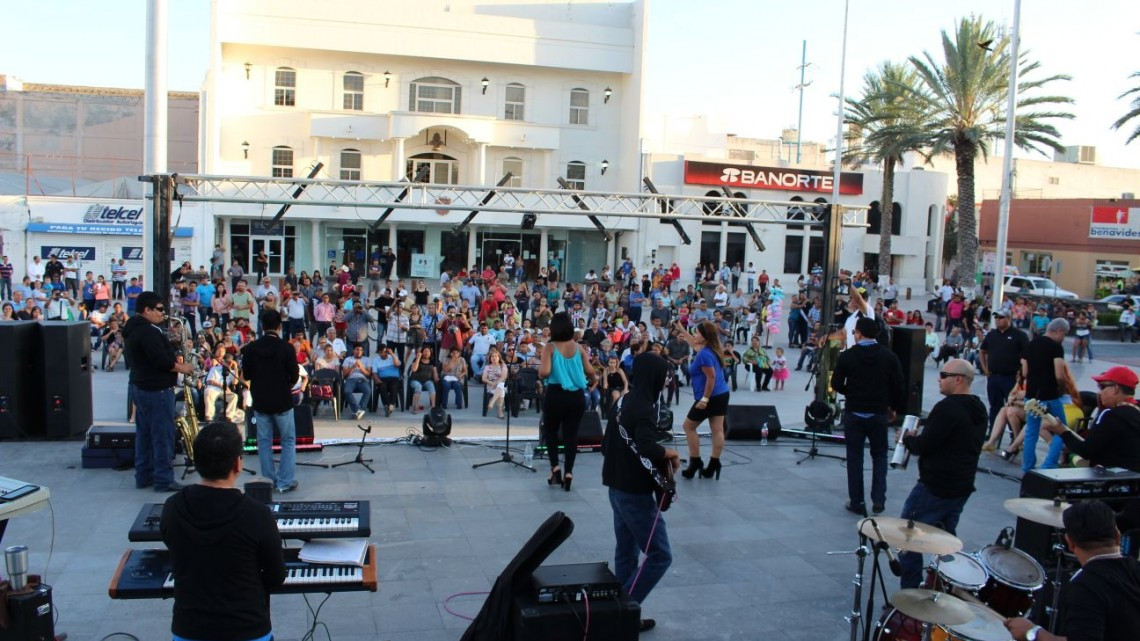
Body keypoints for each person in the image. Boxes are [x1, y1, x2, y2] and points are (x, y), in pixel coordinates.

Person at [160, 422, 286, 641]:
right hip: (247, 629)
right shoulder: (256, 514)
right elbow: (276, 576)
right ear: (238, 464)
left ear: (197, 462)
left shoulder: (172, 507)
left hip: (189, 629)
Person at [603, 352, 680, 634]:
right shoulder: (646, 408)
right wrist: (669, 452)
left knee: (626, 553)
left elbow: (608, 443)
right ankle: (622, 612)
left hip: (615, 487)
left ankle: (623, 614)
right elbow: (647, 445)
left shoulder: (623, 400)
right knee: (660, 555)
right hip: (635, 494)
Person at [894, 358, 987, 588]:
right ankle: (943, 586)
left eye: (943, 375)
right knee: (946, 541)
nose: (939, 378)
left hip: (935, 486)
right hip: (962, 485)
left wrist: (906, 439)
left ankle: (910, 592)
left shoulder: (947, 407)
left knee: (909, 536)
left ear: (958, 380)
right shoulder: (978, 407)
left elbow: (924, 445)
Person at [1004, 500, 1140, 641]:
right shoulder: (1136, 569)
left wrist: (1033, 633)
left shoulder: (1086, 587)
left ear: (1070, 542)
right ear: (1118, 536)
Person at [831, 317, 905, 516]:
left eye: (855, 332)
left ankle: (857, 501)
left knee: (855, 458)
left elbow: (836, 383)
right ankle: (878, 499)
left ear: (860, 333)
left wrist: (851, 392)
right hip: (878, 413)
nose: (853, 335)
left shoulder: (848, 356)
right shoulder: (889, 356)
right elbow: (898, 385)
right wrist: (894, 407)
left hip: (855, 412)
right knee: (880, 456)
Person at [123, 291, 195, 492]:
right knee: (163, 436)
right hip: (157, 391)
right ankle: (164, 479)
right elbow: (161, 361)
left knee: (144, 435)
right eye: (160, 309)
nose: (164, 313)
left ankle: (144, 475)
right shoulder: (148, 332)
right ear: (147, 310)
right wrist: (184, 368)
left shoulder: (133, 328)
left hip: (140, 388)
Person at [241, 309, 301, 493]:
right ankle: (285, 482)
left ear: (261, 326)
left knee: (264, 442)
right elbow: (295, 374)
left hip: (260, 401)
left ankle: (268, 481)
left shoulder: (251, 348)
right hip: (282, 400)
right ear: (280, 326)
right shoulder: (286, 347)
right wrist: (285, 385)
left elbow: (247, 374)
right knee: (288, 441)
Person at [538, 311, 596, 492]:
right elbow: (590, 371)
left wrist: (544, 371)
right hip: (576, 397)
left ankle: (555, 468)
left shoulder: (551, 347)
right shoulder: (578, 348)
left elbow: (545, 372)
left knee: (551, 431)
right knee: (571, 435)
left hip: (556, 395)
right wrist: (593, 381)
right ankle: (568, 472)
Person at [1042, 366, 1140, 472]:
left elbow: (1086, 451)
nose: (1100, 393)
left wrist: (1063, 432)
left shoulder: (1112, 416)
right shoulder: (1135, 410)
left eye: (1102, 387)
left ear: (1115, 389)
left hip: (1114, 478)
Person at [673, 320, 731, 480]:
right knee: (717, 430)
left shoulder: (704, 354)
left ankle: (695, 461)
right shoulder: (710, 348)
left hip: (710, 396)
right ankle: (714, 464)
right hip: (722, 394)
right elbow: (694, 344)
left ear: (704, 337)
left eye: (697, 332)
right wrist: (681, 329)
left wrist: (705, 399)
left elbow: (710, 377)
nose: (694, 335)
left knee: (688, 426)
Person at [1020, 318, 1070, 473]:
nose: (1064, 338)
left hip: (1032, 394)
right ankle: (1049, 464)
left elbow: (1025, 372)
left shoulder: (1032, 343)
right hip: (1050, 395)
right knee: (1062, 429)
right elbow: (1059, 375)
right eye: (1065, 334)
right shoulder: (1056, 347)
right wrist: (1062, 388)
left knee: (1031, 432)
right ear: (1059, 330)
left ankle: (1027, 467)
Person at [979, 310, 1029, 430]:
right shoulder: (992, 335)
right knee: (994, 406)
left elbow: (1027, 356)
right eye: (996, 317)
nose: (997, 320)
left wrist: (1022, 375)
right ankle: (993, 432)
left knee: (1013, 406)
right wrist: (985, 369)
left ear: (1008, 318)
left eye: (1001, 317)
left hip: (1011, 378)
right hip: (994, 376)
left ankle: (1014, 434)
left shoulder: (1019, 335)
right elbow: (982, 351)